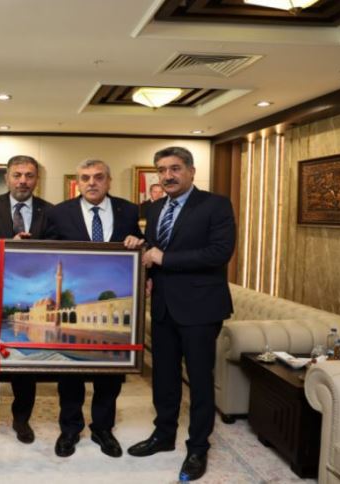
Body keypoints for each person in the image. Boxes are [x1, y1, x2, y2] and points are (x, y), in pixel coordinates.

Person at [128, 146, 235, 482]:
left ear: (191, 171)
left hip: (201, 307)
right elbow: (156, 246)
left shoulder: (215, 205)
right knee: (164, 377)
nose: (168, 176)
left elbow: (219, 252)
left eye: (175, 168)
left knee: (200, 381)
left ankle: (198, 447)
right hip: (163, 305)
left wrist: (164, 259)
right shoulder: (156, 207)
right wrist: (145, 256)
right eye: (162, 170)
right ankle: (163, 435)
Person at [44, 159, 144, 458]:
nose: (92, 183)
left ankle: (103, 429)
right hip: (76, 291)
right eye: (85, 177)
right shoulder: (59, 212)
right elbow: (46, 249)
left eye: (98, 177)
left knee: (110, 376)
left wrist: (138, 241)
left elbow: (141, 249)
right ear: (78, 182)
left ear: (108, 181)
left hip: (116, 290)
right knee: (70, 377)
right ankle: (70, 429)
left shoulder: (129, 211)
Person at [0, 155, 54, 445]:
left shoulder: (49, 210)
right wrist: (11, 245)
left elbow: (56, 250)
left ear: (37, 179)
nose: (23, 181)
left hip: (30, 289)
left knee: (26, 366)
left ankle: (22, 419)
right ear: (7, 178)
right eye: (17, 175)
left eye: (29, 175)